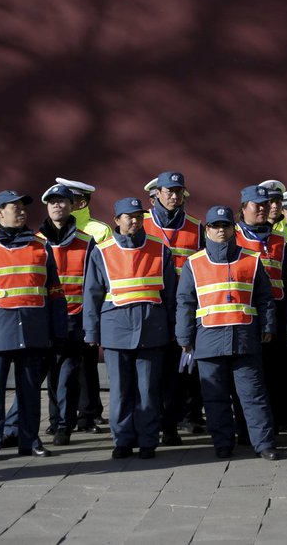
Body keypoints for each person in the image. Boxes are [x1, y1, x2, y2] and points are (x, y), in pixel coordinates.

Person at [0, 190, 67, 461]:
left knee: (30, 391)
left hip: (33, 329)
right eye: (14, 207)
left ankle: (29, 440)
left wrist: (58, 329)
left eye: (22, 207)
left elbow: (54, 291)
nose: (21, 211)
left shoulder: (41, 247)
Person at [176, 205, 280, 460]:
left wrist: (268, 326)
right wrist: (184, 338)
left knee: (253, 395)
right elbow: (185, 302)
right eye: (215, 226)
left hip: (245, 340)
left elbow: (265, 298)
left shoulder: (251, 260)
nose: (221, 231)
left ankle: (264, 444)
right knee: (215, 398)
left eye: (225, 226)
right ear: (207, 230)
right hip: (209, 340)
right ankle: (223, 443)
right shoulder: (195, 263)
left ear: (233, 229)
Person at [83, 197, 177, 459]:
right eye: (129, 217)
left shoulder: (160, 250)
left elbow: (170, 295)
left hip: (152, 330)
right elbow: (91, 295)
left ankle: (148, 441)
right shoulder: (102, 252)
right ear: (117, 221)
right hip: (116, 330)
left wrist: (173, 329)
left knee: (148, 391)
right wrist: (91, 332)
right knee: (121, 390)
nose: (134, 221)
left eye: (138, 216)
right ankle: (122, 440)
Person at [143, 170, 204, 445]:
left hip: (186, 306)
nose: (173, 195)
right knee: (153, 369)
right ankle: (151, 421)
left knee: (180, 370)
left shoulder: (195, 226)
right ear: (156, 194)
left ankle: (174, 423)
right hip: (153, 305)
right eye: (168, 191)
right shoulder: (141, 223)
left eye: (178, 191)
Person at [237, 184, 287, 435]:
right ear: (243, 208)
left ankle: (282, 419)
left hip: (277, 311)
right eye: (257, 205)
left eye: (267, 205)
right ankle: (248, 426)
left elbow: (286, 279)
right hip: (246, 312)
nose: (263, 210)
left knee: (280, 370)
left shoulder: (279, 240)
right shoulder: (234, 236)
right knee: (251, 374)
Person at [38, 183, 95, 445]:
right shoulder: (35, 242)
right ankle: (54, 421)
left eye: (62, 201)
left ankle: (64, 425)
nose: (57, 205)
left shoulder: (86, 242)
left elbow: (94, 285)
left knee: (69, 374)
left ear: (73, 206)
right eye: (52, 202)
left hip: (75, 318)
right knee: (51, 373)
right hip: (44, 319)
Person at [56, 177, 111, 433]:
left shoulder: (98, 231)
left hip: (86, 308)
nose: (63, 205)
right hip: (59, 309)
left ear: (81, 201)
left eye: (70, 199)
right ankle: (60, 417)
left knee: (87, 363)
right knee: (57, 366)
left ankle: (90, 412)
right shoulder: (49, 231)